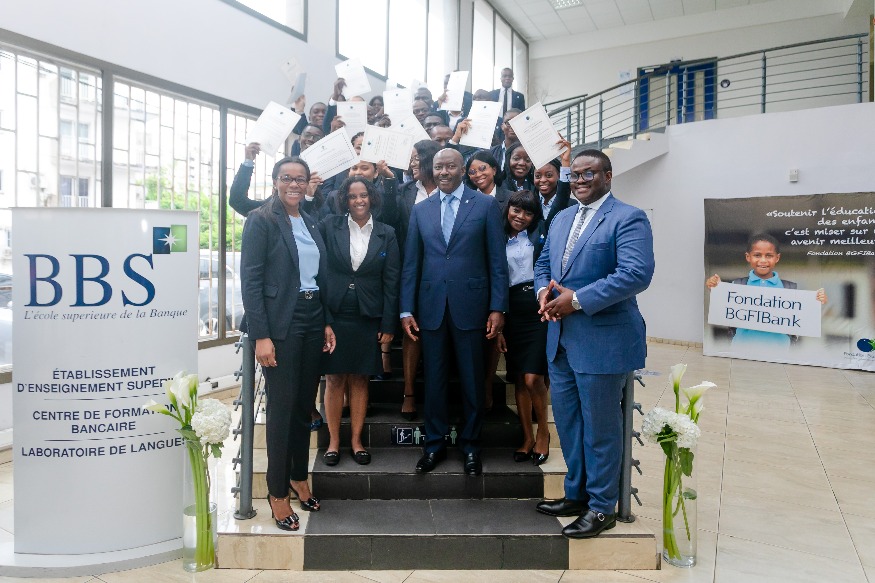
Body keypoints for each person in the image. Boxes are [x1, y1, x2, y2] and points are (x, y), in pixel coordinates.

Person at [533, 149, 655, 539]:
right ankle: (577, 494)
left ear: (608, 176)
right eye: (575, 175)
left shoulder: (628, 217)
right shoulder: (562, 218)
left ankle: (602, 507)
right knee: (569, 425)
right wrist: (543, 293)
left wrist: (577, 300)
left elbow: (635, 274)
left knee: (601, 428)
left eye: (589, 174)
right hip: (560, 340)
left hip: (604, 341)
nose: (580, 181)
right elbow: (543, 265)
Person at [400, 148, 508, 476]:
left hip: (472, 307)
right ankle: (434, 446)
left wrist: (497, 307)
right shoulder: (421, 209)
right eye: (438, 167)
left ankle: (471, 446)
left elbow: (497, 262)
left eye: (450, 166)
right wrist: (406, 309)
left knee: (472, 381)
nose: (444, 172)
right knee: (434, 381)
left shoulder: (485, 205)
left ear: (463, 170)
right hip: (431, 307)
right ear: (431, 170)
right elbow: (411, 263)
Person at [241, 156, 334, 531]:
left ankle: (298, 476)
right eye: (287, 178)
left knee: (302, 408)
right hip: (281, 322)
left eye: (300, 179)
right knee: (281, 409)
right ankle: (277, 492)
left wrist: (326, 322)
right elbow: (251, 280)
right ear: (275, 181)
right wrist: (261, 335)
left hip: (313, 317)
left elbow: (319, 276)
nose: (294, 184)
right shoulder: (261, 219)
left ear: (308, 182)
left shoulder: (310, 220)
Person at [319, 177, 400, 466]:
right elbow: (319, 270)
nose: (358, 200)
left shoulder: (387, 233)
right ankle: (333, 442)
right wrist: (324, 319)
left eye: (363, 195)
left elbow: (392, 281)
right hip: (335, 313)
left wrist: (388, 324)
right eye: (352, 196)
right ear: (345, 199)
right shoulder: (329, 226)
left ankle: (356, 441)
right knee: (334, 378)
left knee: (360, 378)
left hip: (368, 315)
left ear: (372, 197)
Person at [705, 233, 827, 348]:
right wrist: (716, 289)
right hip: (742, 350)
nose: (763, 260)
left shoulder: (789, 288)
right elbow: (724, 309)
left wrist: (818, 301)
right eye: (757, 255)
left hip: (780, 352)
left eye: (769, 255)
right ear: (748, 257)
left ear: (777, 258)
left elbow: (801, 316)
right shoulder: (738, 285)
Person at [396, 140, 442, 419]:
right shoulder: (404, 192)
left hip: (442, 273)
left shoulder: (452, 190)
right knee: (411, 331)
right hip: (411, 270)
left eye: (416, 159)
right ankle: (409, 392)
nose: (412, 163)